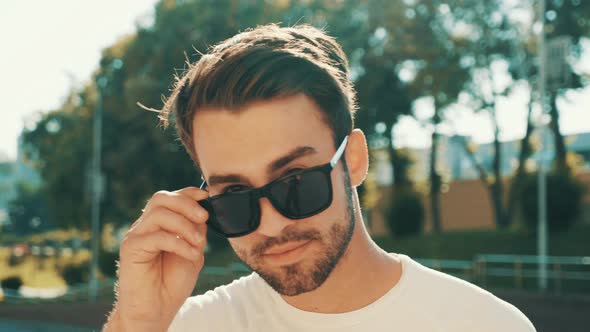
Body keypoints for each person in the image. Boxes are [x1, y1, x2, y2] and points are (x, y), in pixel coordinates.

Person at [103, 24, 536, 332]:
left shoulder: (484, 325)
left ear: (354, 161)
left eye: (294, 181)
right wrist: (137, 322)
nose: (271, 224)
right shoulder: (185, 327)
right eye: (235, 196)